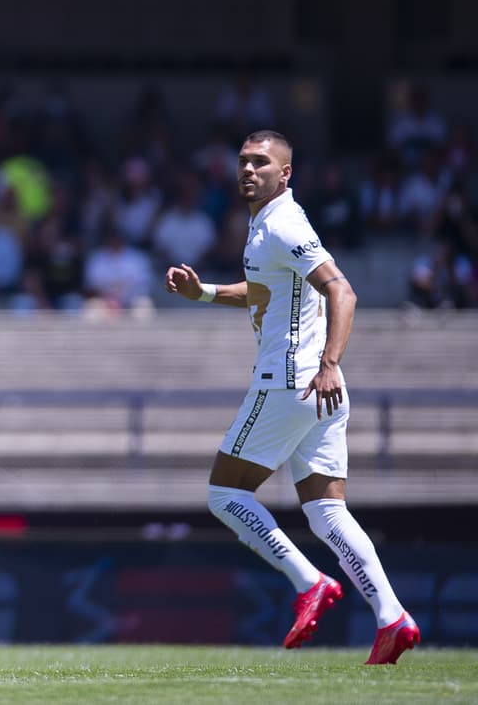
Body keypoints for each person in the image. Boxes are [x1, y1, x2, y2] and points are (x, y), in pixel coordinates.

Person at [164, 130, 420, 666]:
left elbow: (342, 290)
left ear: (286, 174)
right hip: (318, 390)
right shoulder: (265, 227)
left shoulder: (282, 223)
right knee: (327, 512)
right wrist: (205, 292)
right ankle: (392, 616)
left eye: (262, 162)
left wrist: (329, 363)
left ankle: (309, 582)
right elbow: (263, 292)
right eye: (243, 161)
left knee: (224, 496)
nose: (249, 170)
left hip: (289, 381)